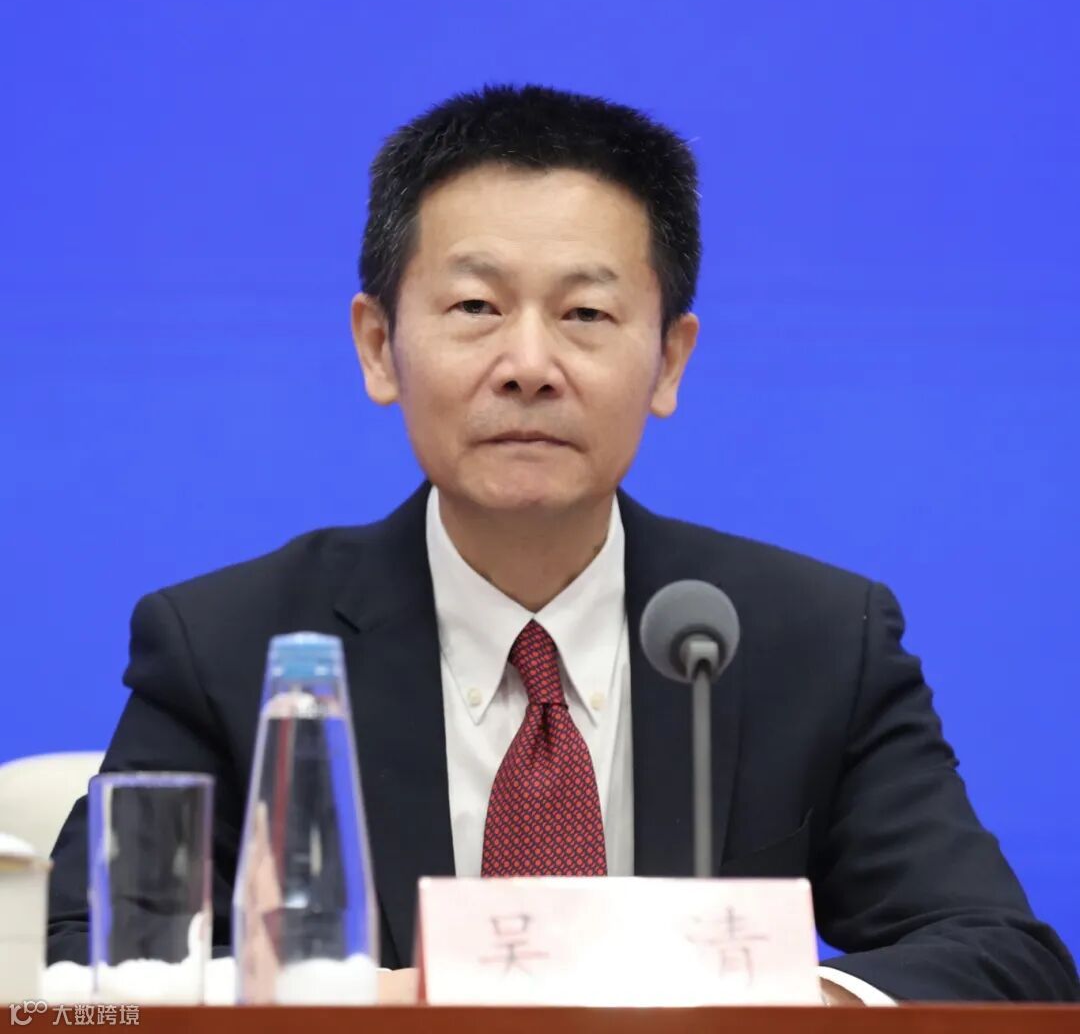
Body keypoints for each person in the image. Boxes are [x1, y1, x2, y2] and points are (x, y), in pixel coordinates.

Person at [47, 85, 1078, 1003]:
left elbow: (1002, 956)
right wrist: (377, 1000)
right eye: (476, 306)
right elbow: (87, 963)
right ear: (379, 345)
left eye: (586, 312)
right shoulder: (235, 646)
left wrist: (781, 1004)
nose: (529, 364)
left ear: (669, 361)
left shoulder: (810, 640)